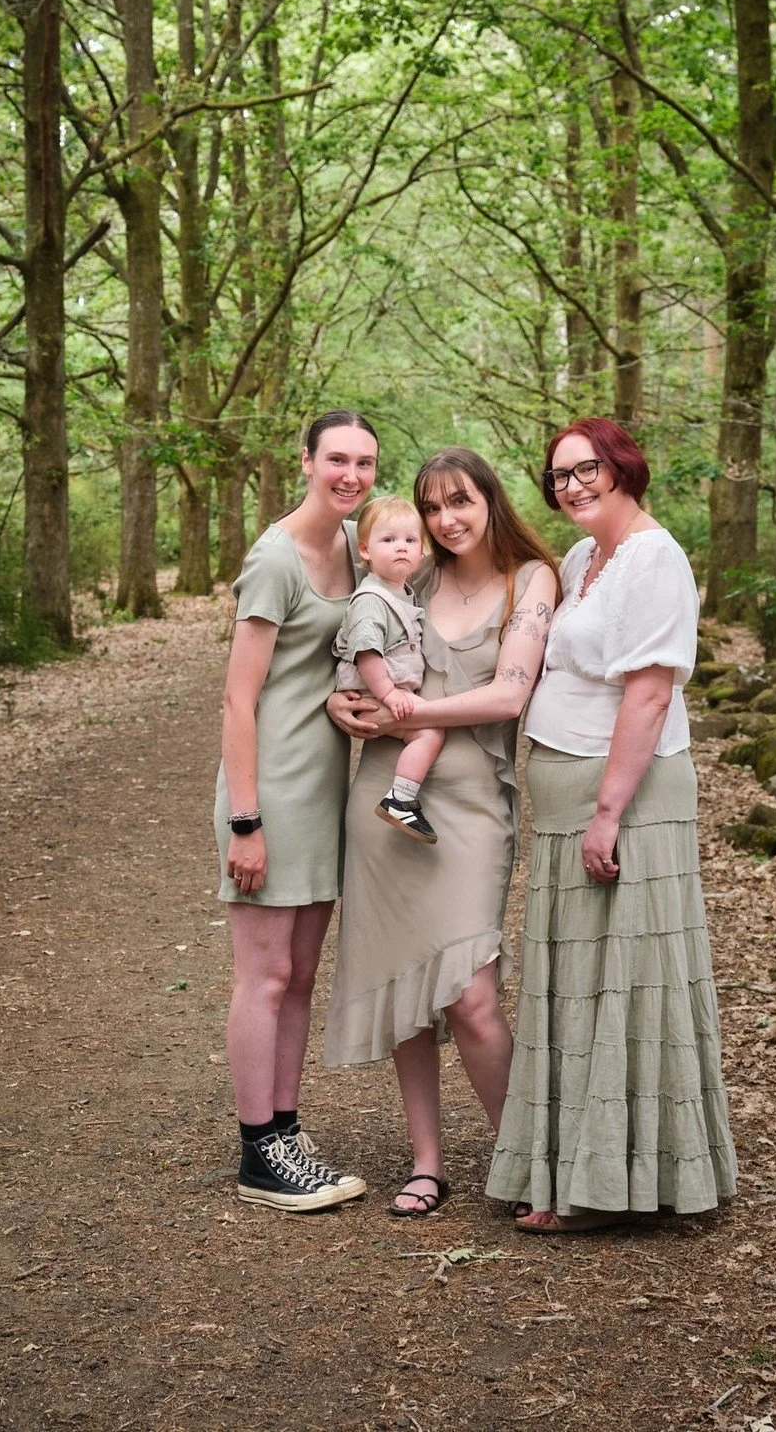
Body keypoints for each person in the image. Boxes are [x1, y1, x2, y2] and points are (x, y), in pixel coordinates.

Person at [486, 417, 737, 1234]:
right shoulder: (582, 559)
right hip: (568, 796)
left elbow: (651, 694)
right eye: (559, 475)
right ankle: (569, 1168)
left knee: (624, 980)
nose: (572, 486)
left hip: (623, 798)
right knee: (577, 987)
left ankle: (609, 1188)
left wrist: (606, 814)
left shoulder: (654, 559)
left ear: (624, 466)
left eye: (586, 468)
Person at [324, 448, 559, 1217]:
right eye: (431, 507)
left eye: (460, 501)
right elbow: (359, 657)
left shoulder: (531, 580)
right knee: (406, 983)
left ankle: (529, 1164)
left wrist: (412, 714)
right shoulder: (412, 576)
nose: (445, 519)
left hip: (471, 806)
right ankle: (427, 1163)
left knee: (472, 994)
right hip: (385, 801)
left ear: (490, 498)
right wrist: (340, 703)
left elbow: (508, 695)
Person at [214, 409, 378, 1211]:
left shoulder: (353, 543)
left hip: (323, 790)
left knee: (302, 974)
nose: (351, 475)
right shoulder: (274, 559)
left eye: (365, 462)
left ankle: (283, 1129)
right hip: (270, 792)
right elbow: (238, 699)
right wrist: (245, 822)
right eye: (337, 459)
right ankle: (258, 1157)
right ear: (306, 461)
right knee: (266, 975)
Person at [332, 496, 446, 845]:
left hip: (384, 691)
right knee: (430, 731)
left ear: (422, 550)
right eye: (389, 539)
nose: (401, 547)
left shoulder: (402, 593)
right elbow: (367, 653)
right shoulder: (371, 600)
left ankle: (402, 797)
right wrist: (389, 693)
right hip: (373, 693)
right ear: (365, 549)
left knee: (427, 731)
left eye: (410, 540)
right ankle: (401, 799)